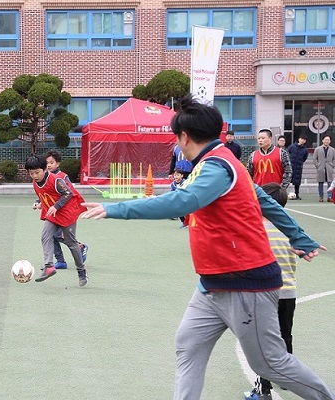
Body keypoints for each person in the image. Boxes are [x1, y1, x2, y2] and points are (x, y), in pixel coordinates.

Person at [82, 94, 334, 399]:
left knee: (270, 363)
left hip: (245, 283)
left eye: (176, 139)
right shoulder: (221, 163)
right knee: (188, 345)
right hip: (212, 284)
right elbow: (266, 201)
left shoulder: (218, 167)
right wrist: (298, 236)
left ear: (184, 138)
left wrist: (115, 209)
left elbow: (185, 201)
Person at [246, 183, 299, 399]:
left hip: (265, 293)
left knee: (263, 341)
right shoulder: (291, 228)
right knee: (285, 335)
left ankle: (263, 388)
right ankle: (290, 379)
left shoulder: (256, 230)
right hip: (289, 292)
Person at [25, 154, 88, 286]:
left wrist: (56, 206)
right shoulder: (35, 183)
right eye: (31, 173)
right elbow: (43, 195)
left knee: (71, 243)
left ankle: (81, 272)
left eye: (37, 172)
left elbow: (68, 193)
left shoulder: (56, 180)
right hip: (52, 214)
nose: (35, 176)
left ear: (45, 169)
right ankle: (49, 266)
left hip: (66, 213)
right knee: (46, 236)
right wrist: (39, 203)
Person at [313, 134, 335, 202]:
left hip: (329, 168)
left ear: (330, 141)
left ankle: (329, 196)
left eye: (328, 140)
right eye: (325, 140)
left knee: (330, 183)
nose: (327, 141)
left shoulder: (332, 149)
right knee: (320, 183)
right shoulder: (317, 149)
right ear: (322, 140)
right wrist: (318, 165)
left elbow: (334, 159)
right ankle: (321, 197)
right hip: (321, 168)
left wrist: (332, 165)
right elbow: (314, 159)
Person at [287, 134, 308, 200]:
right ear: (298, 139)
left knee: (297, 182)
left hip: (298, 167)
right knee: (287, 181)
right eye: (301, 139)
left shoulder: (305, 150)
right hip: (290, 167)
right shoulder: (292, 147)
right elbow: (287, 154)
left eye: (304, 140)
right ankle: (283, 193)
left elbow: (304, 158)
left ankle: (297, 194)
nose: (302, 141)